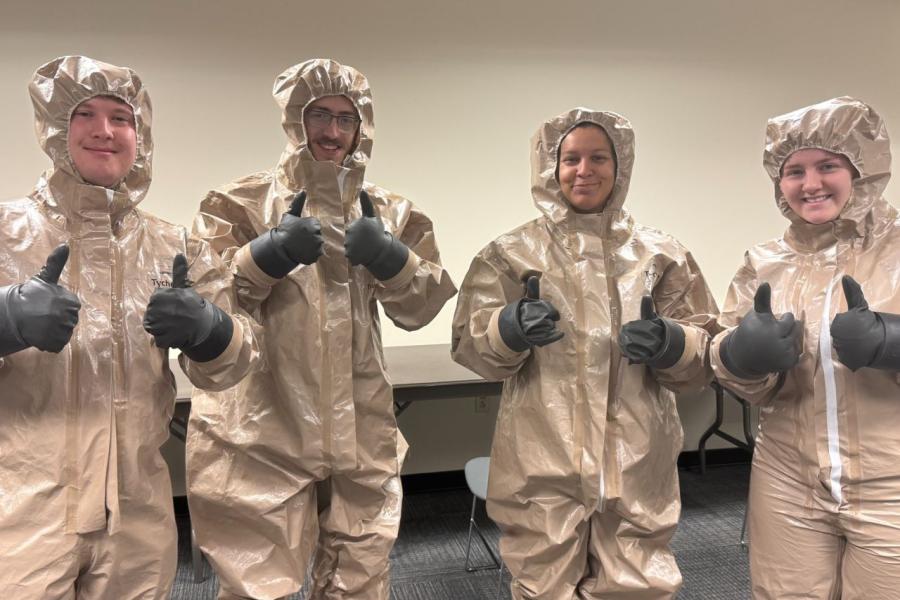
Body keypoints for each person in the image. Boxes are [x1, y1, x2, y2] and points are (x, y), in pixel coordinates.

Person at [186, 58, 457, 599]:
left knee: (361, 579)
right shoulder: (234, 204)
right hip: (263, 424)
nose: (332, 131)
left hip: (361, 425)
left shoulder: (389, 210)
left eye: (345, 119)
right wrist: (264, 257)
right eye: (318, 115)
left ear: (362, 129)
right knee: (258, 584)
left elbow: (421, 308)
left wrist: (391, 259)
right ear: (293, 121)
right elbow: (204, 310)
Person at [0, 55, 259, 599]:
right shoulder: (6, 233)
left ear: (139, 135)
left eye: (120, 117)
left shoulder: (174, 246)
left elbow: (234, 364)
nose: (104, 131)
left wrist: (209, 330)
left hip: (137, 517)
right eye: (84, 115)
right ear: (54, 129)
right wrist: (7, 320)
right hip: (21, 514)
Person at [451, 107, 718, 599]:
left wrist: (671, 343)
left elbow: (705, 355)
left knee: (638, 585)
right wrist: (507, 329)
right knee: (543, 583)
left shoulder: (661, 255)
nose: (584, 170)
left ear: (622, 167)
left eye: (599, 157)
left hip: (636, 456)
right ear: (550, 168)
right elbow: (471, 347)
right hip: (542, 457)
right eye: (570, 158)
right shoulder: (510, 254)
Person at [712, 96, 900, 599]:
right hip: (787, 478)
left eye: (828, 166)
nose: (810, 184)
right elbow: (732, 366)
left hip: (892, 484)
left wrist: (892, 342)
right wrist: (738, 357)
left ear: (864, 169)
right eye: (793, 170)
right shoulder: (764, 262)